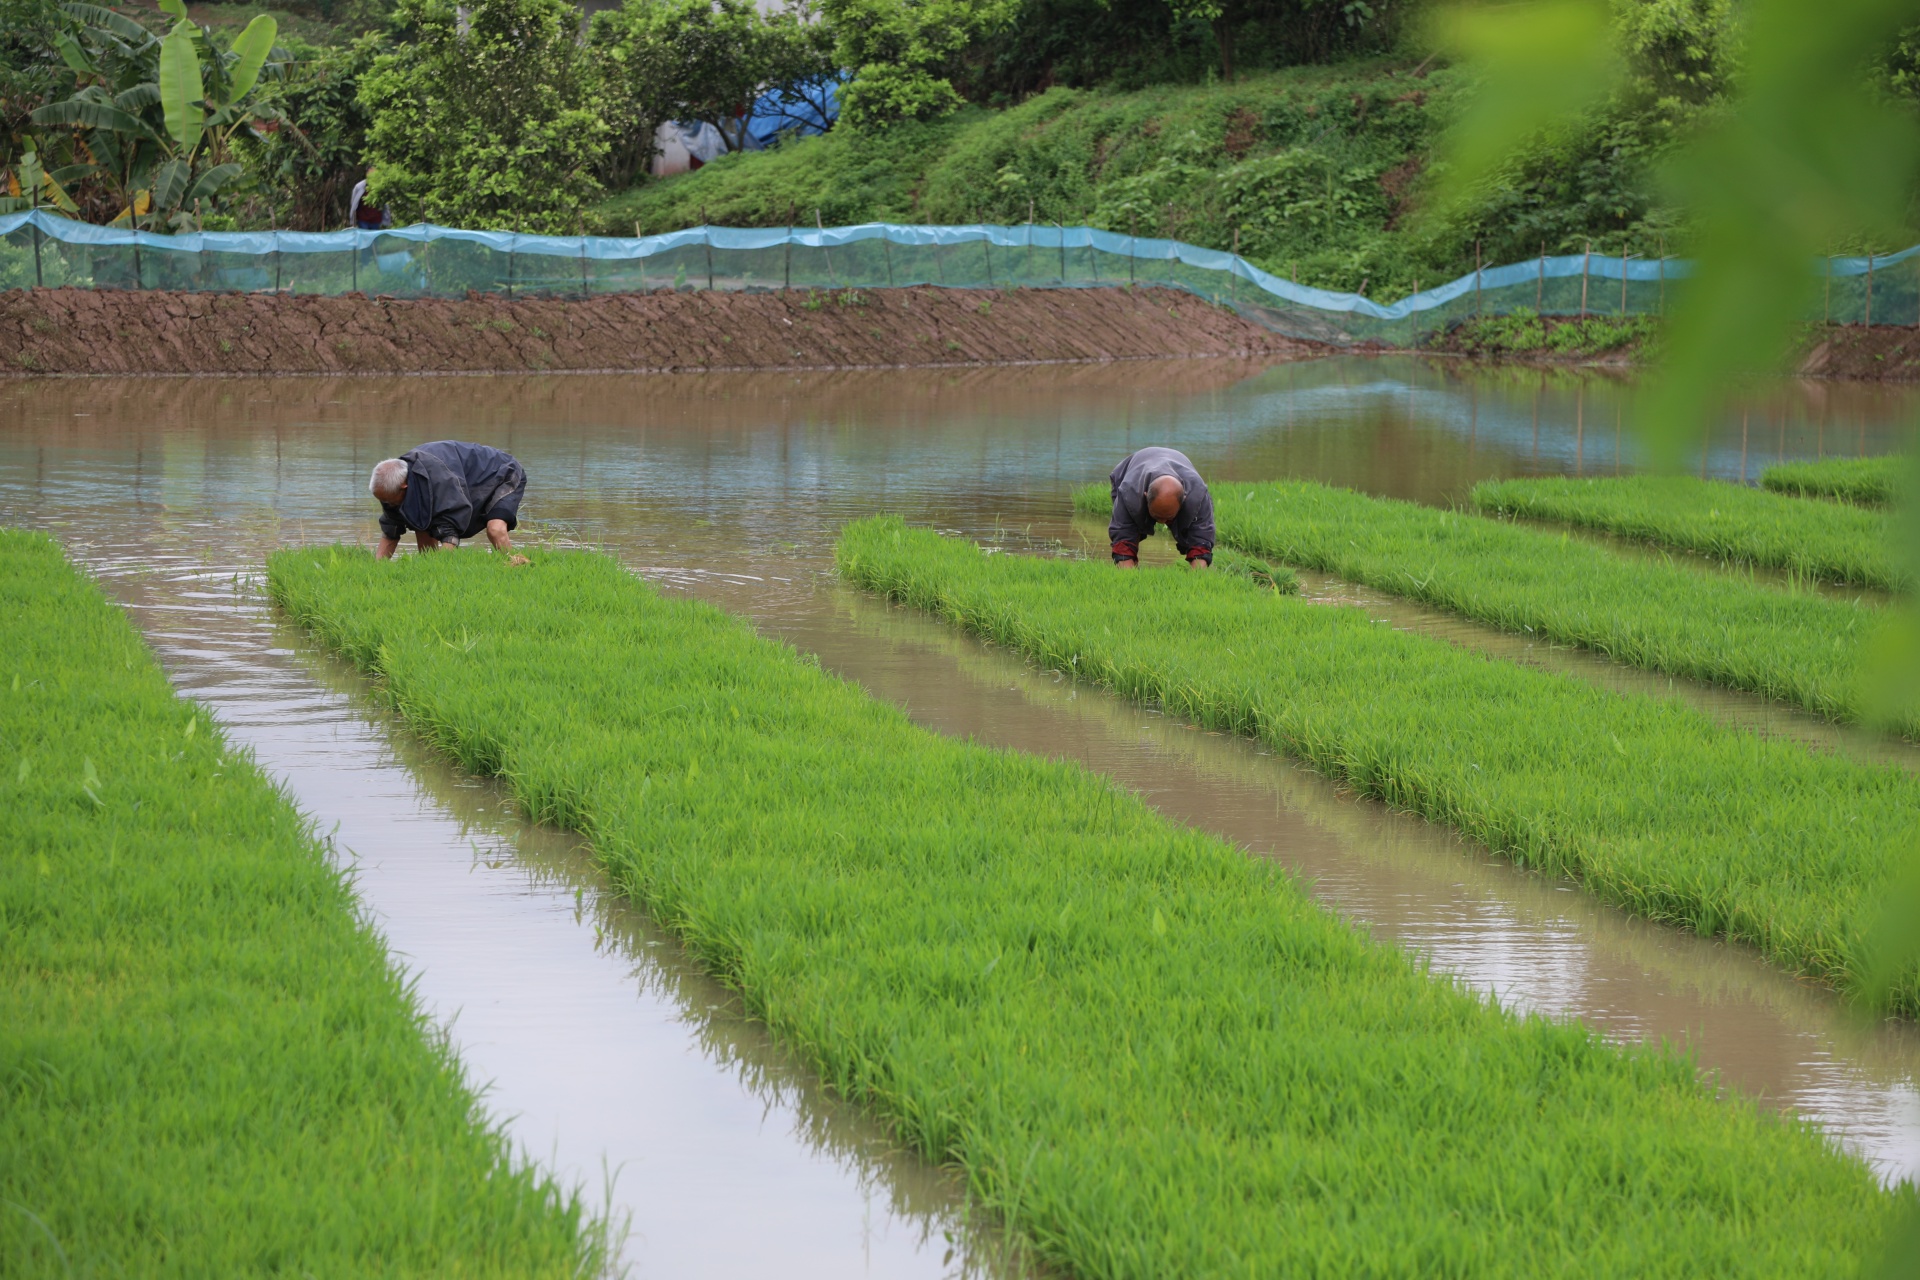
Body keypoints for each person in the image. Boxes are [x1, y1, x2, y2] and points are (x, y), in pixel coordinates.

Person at [370, 441, 527, 562]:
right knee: (421, 522)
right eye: (383, 501)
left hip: (503, 472)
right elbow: (391, 531)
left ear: (404, 485)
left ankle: (516, 567)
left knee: (495, 528)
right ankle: (427, 568)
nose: (387, 505)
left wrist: (438, 571)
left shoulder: (441, 480)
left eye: (389, 501)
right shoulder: (394, 483)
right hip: (465, 479)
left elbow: (450, 533)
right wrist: (376, 571)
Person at [1105, 446, 1214, 569]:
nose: (1162, 522)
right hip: (1132, 469)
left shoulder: (1197, 495)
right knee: (1131, 533)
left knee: (1192, 535)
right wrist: (1128, 579)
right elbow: (1122, 534)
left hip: (1181, 472)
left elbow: (1201, 539)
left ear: (1183, 500)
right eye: (1157, 516)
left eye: (1168, 518)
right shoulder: (1129, 492)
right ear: (1145, 497)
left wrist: (1197, 579)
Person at [347, 166, 392, 231]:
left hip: (376, 219)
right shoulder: (359, 187)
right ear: (366, 174)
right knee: (365, 239)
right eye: (370, 173)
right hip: (363, 219)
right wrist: (353, 220)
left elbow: (384, 203)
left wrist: (386, 219)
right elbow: (353, 203)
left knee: (374, 240)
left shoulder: (380, 186)